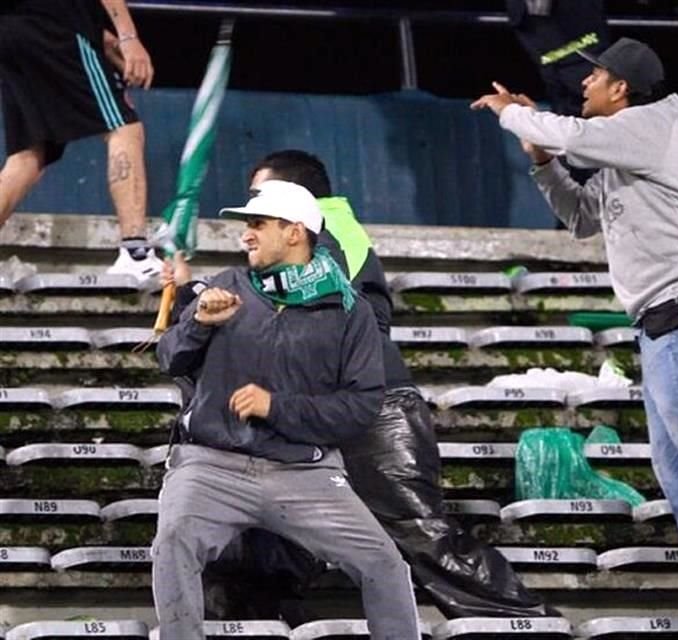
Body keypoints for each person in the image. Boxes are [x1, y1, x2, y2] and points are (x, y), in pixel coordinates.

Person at [178, 150, 553, 621]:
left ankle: (524, 625)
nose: (251, 211)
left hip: (371, 411)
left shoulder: (332, 233)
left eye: (260, 196)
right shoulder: (304, 244)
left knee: (421, 535)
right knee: (262, 541)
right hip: (310, 406)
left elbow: (333, 316)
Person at [471, 38, 678, 551]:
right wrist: (542, 162)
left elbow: (568, 132)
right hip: (656, 316)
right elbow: (582, 217)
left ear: (621, 87)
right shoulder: (622, 149)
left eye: (595, 75)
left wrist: (514, 115)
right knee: (669, 458)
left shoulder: (647, 125)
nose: (584, 82)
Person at [152, 179, 420, 639]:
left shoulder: (349, 310)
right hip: (211, 464)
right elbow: (169, 358)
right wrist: (196, 322)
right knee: (172, 541)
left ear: (294, 232)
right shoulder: (226, 285)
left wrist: (277, 407)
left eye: (258, 224)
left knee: (385, 563)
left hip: (304, 473)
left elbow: (360, 406)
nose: (246, 234)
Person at [0, 0, 162, 280]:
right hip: (56, 28)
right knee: (124, 127)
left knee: (27, 157)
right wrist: (128, 37)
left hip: (12, 33)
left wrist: (104, 39)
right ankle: (135, 253)